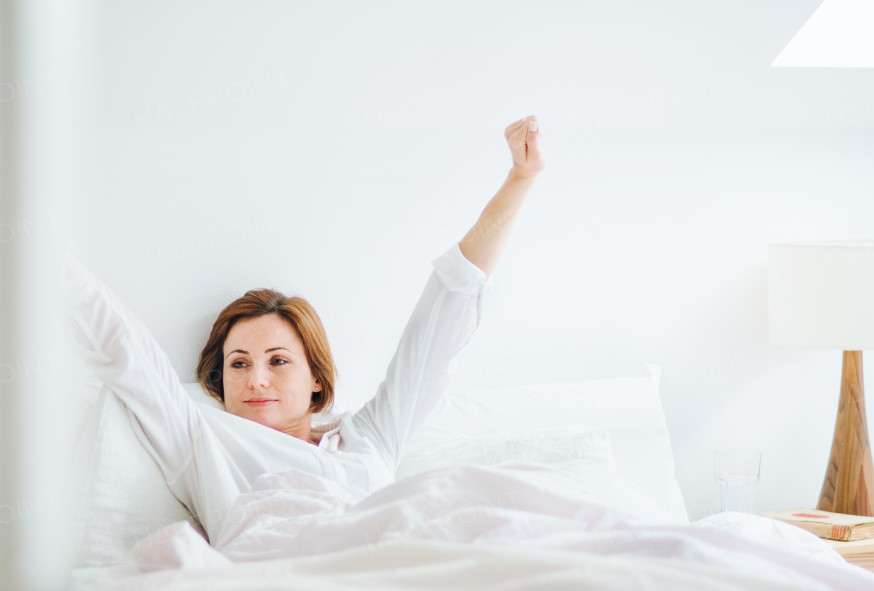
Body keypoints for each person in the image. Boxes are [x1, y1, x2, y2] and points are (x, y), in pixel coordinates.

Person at [65, 116, 544, 543]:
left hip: (393, 564)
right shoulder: (200, 439)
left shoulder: (369, 438)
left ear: (316, 376)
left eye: (278, 361)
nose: (256, 379)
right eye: (238, 364)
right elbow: (123, 348)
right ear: (218, 382)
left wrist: (519, 182)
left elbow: (443, 317)